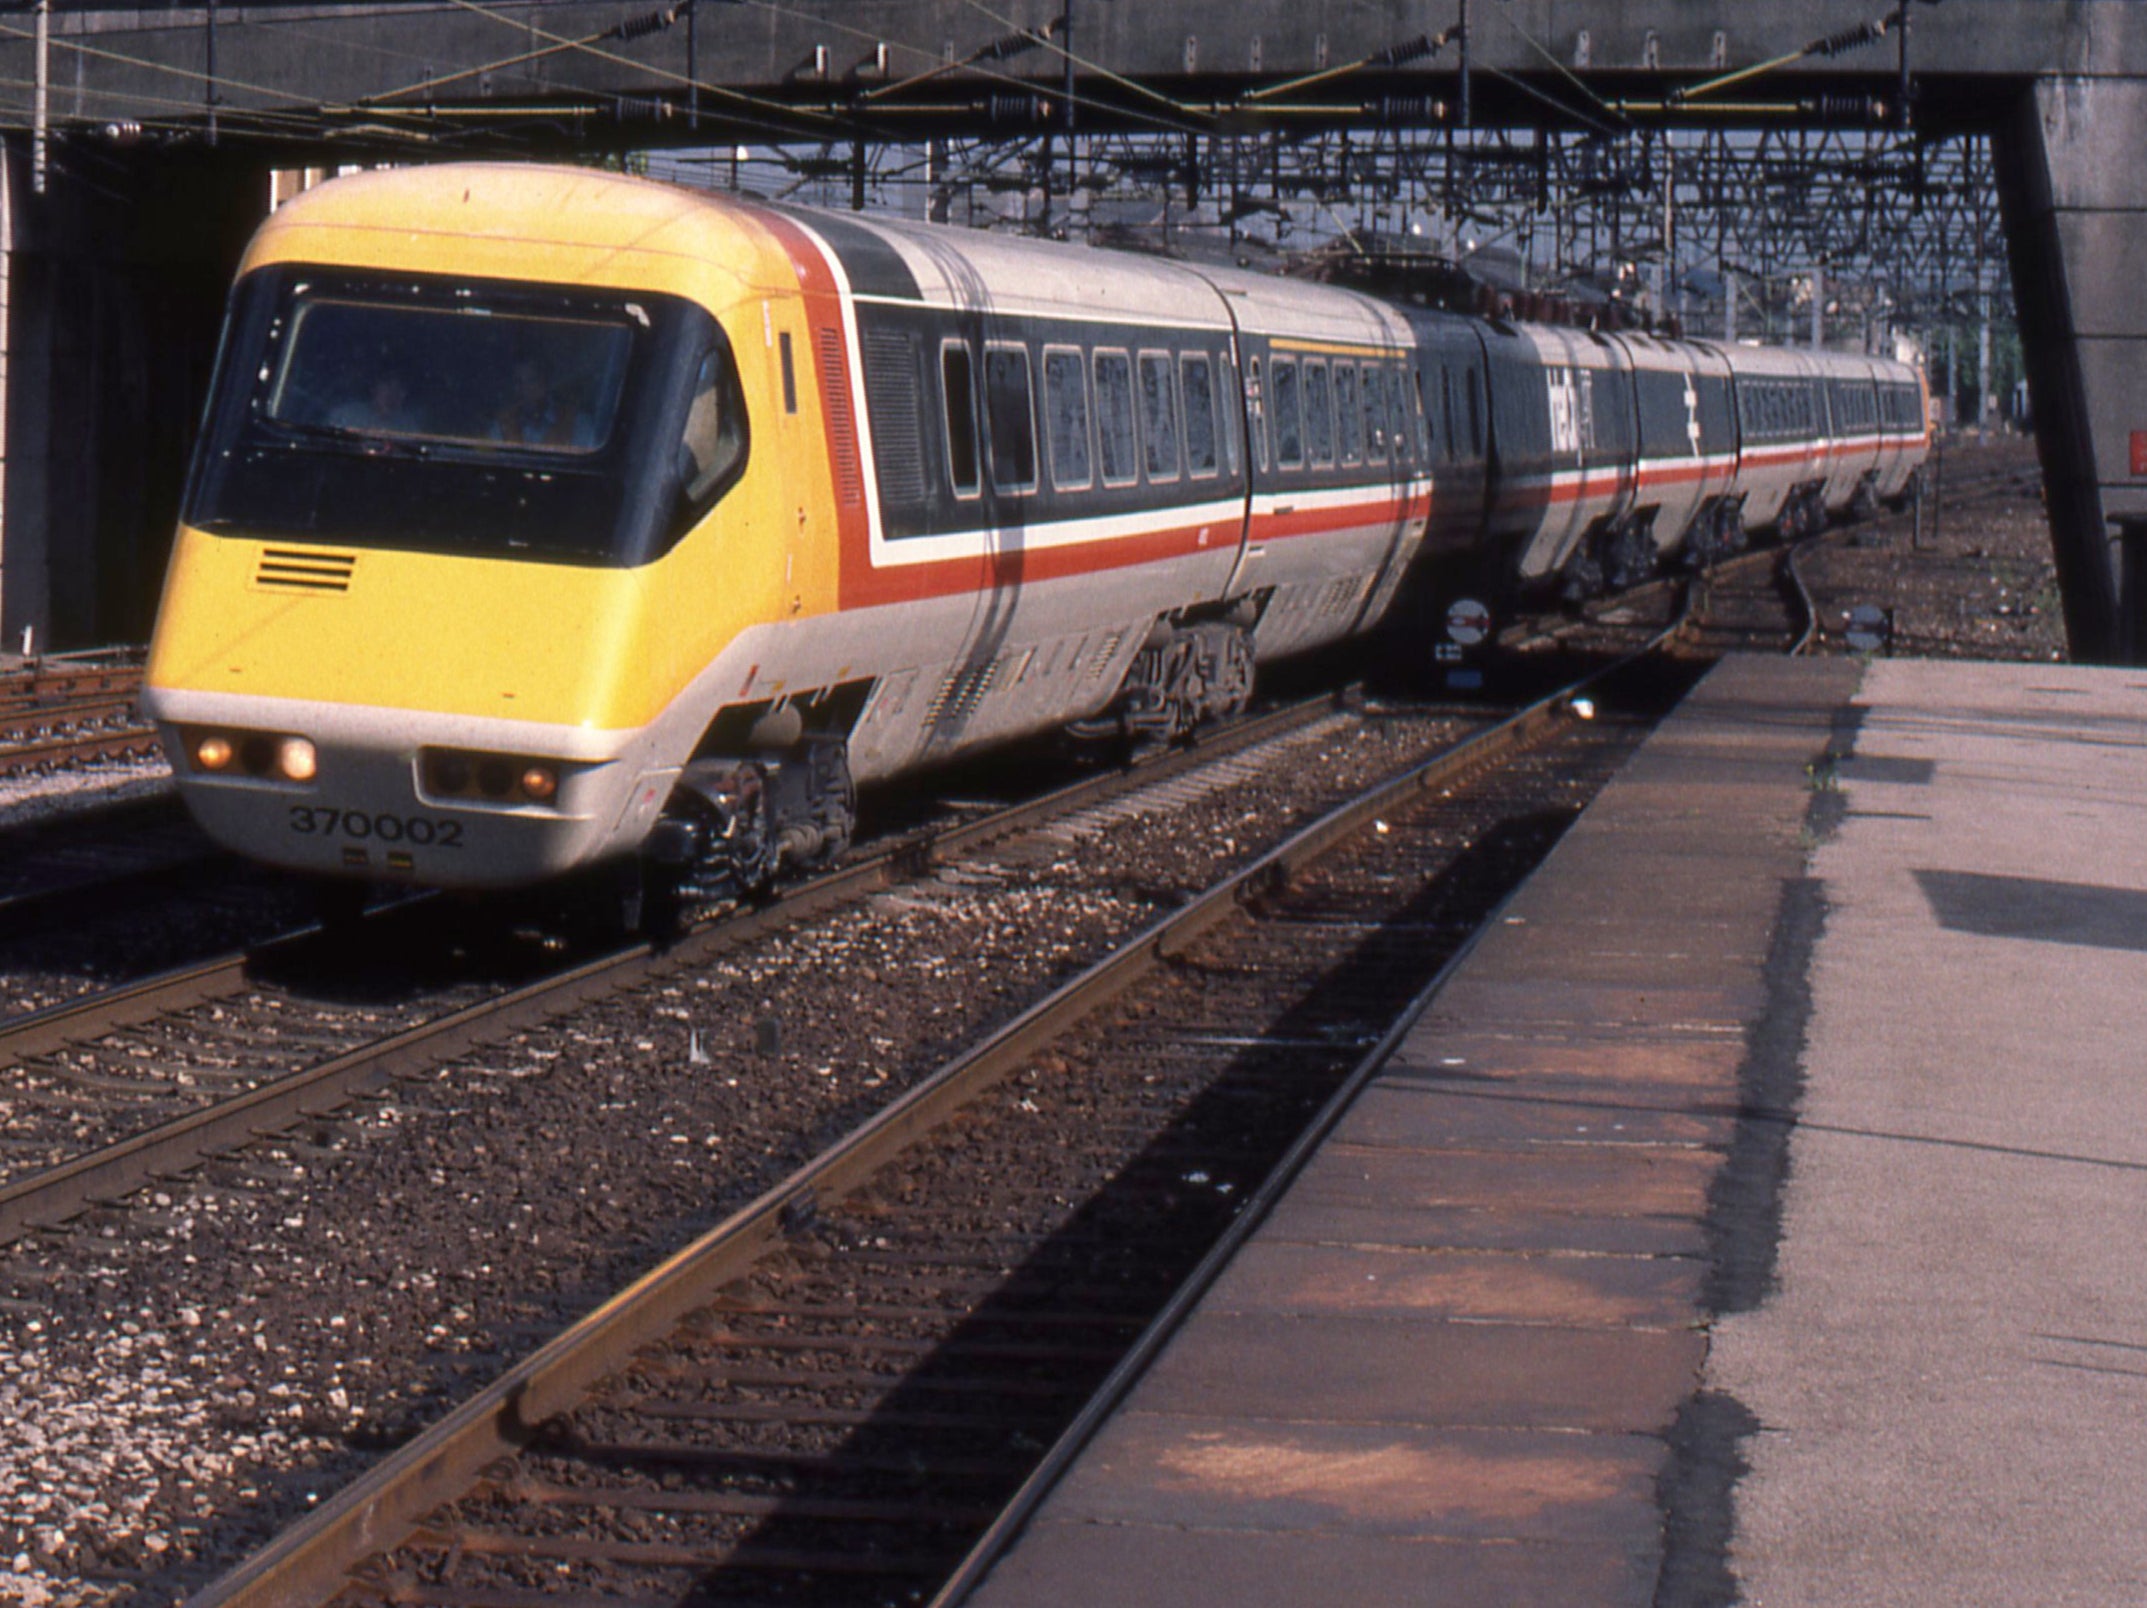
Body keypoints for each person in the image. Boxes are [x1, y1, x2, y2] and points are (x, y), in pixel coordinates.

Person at [493, 358, 588, 448]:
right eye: (518, 382)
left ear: (545, 382)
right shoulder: (503, 424)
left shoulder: (577, 422)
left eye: (531, 380)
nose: (524, 389)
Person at [329, 369, 420, 434]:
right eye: (388, 385)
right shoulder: (345, 416)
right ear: (374, 389)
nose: (393, 394)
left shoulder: (408, 427)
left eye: (399, 388)